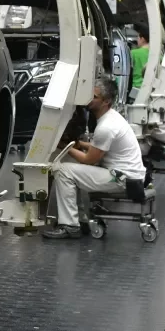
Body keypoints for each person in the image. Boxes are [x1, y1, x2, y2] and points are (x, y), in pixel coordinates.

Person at [44, 79, 146, 240]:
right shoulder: (111, 118)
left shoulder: (106, 127)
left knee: (62, 169)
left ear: (106, 101)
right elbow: (97, 148)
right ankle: (80, 220)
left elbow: (89, 160)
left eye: (94, 97)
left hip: (122, 179)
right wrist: (78, 144)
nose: (88, 99)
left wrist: (63, 146)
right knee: (72, 169)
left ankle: (70, 225)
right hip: (127, 175)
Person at [130, 24, 150, 92]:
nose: (137, 40)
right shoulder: (158, 55)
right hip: (149, 88)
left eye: (138, 37)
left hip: (136, 88)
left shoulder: (133, 53)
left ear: (142, 39)